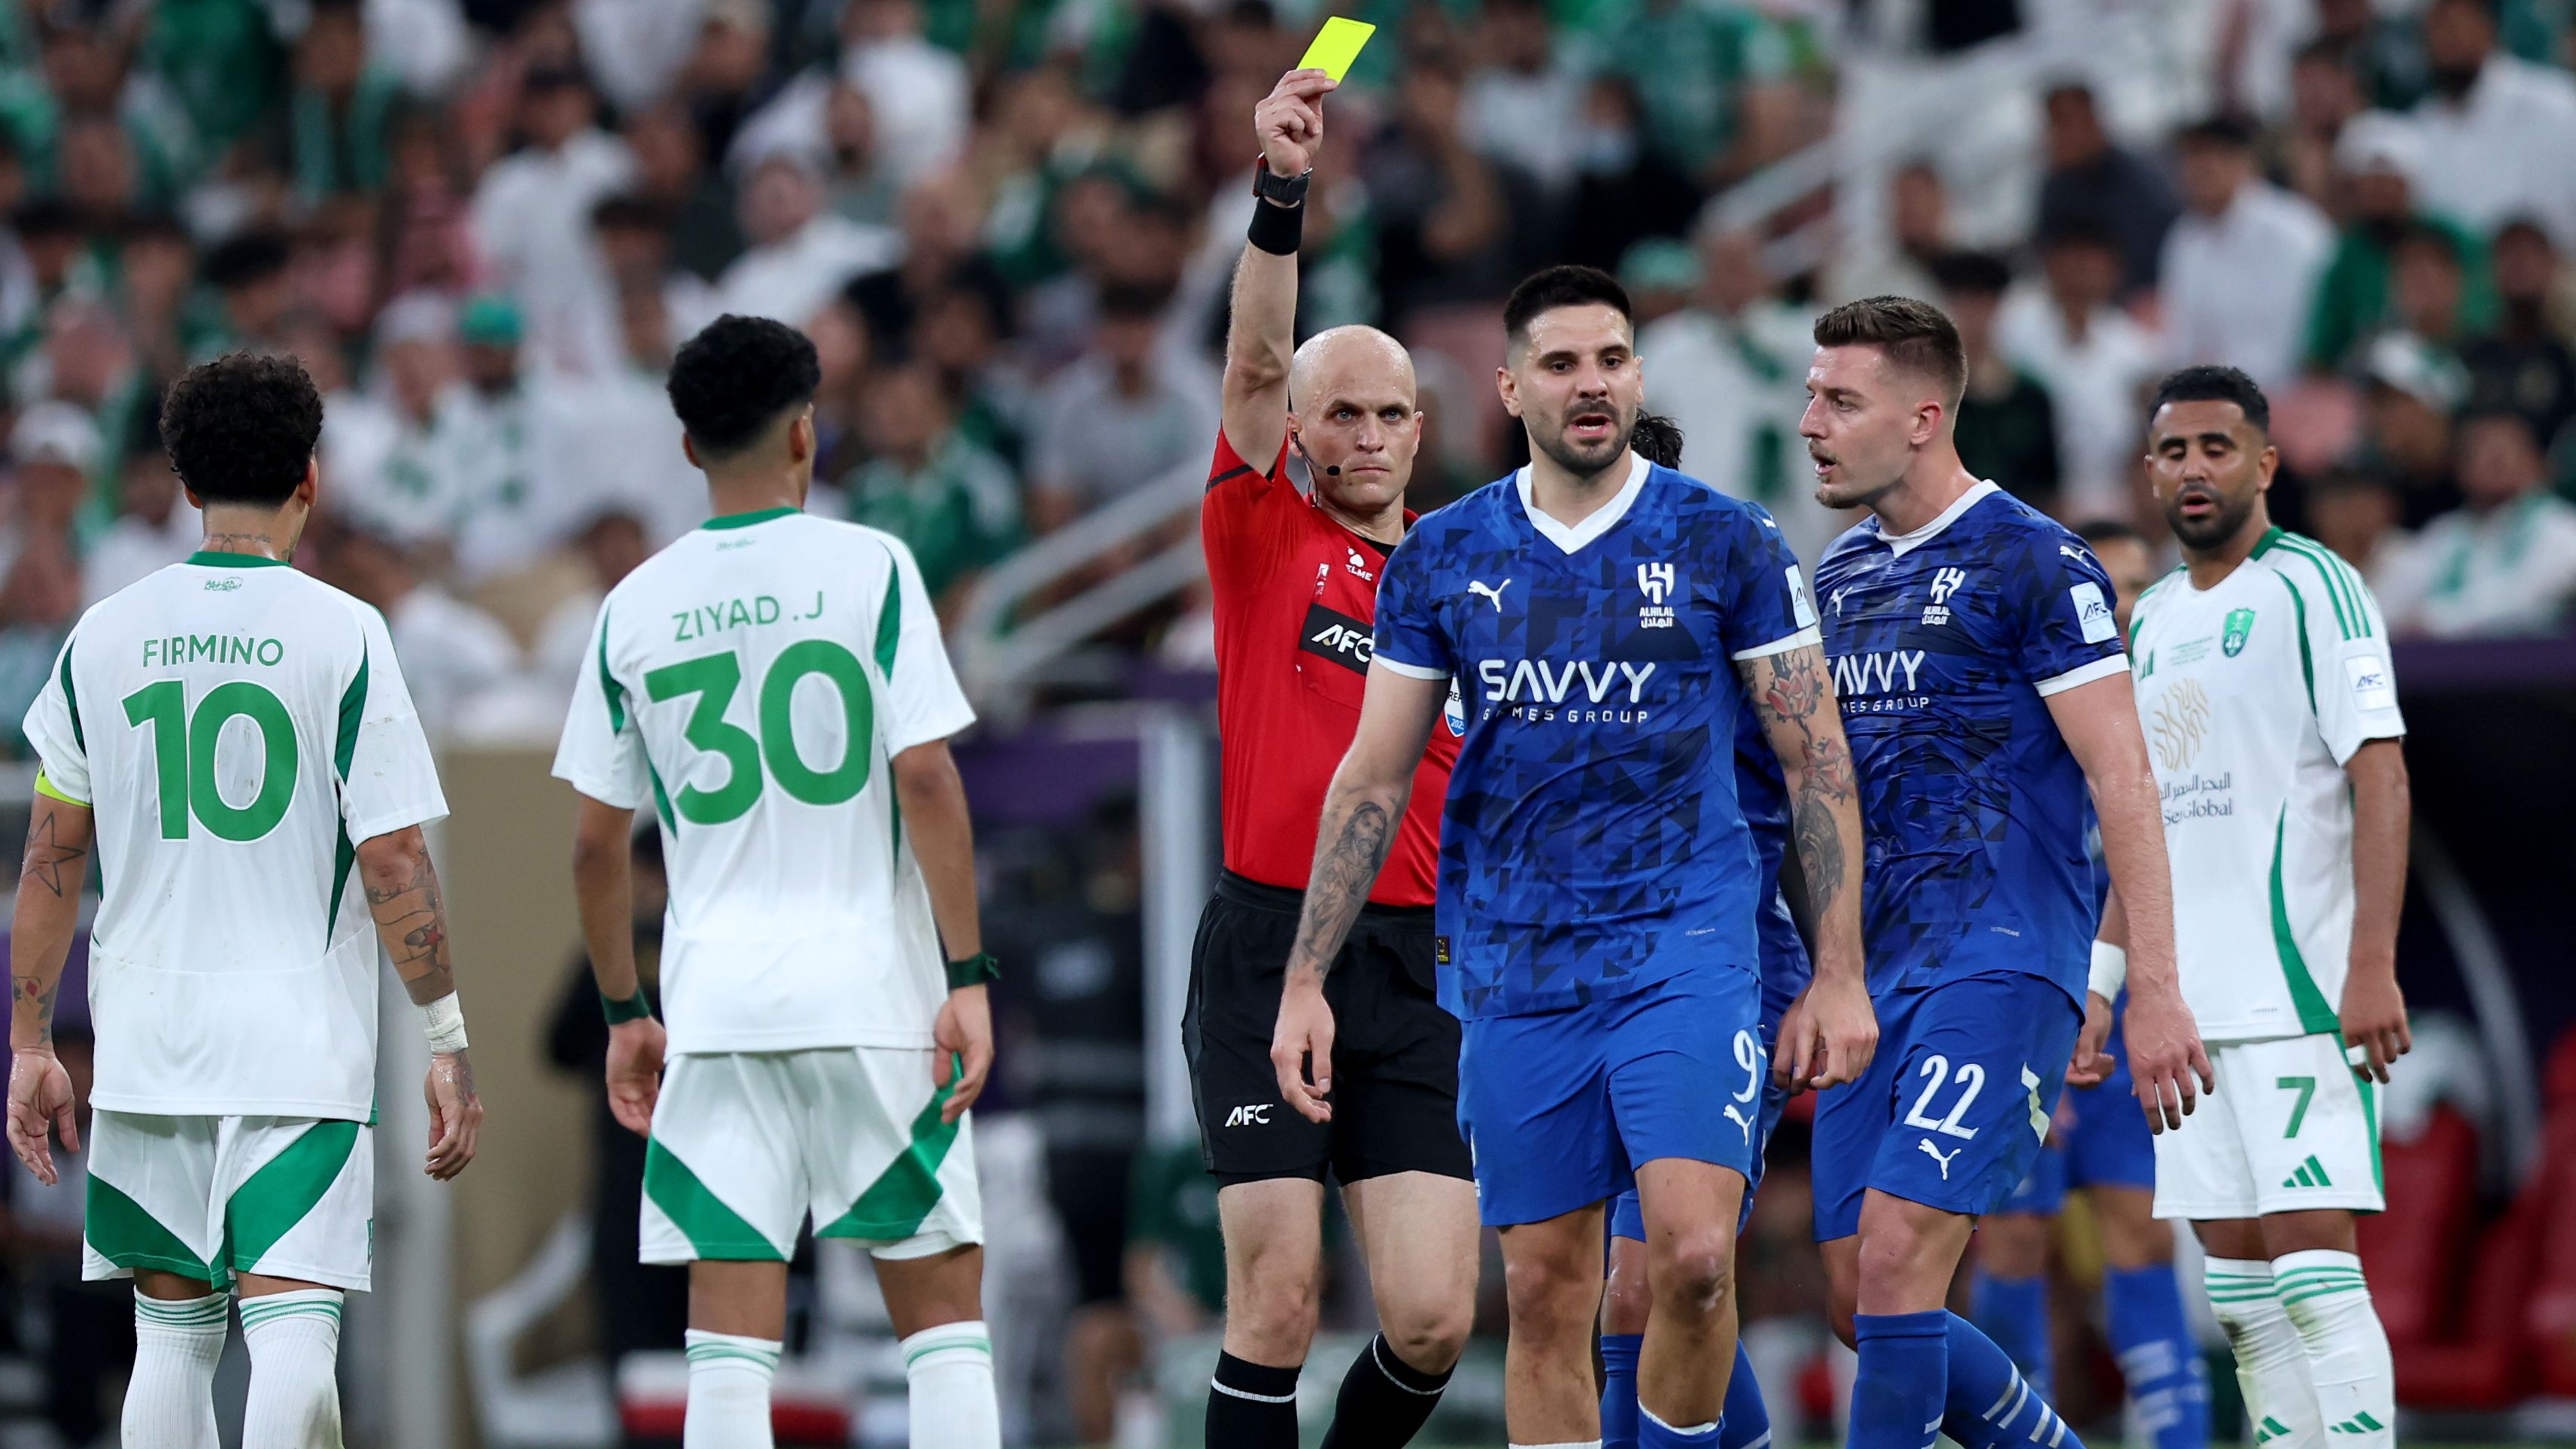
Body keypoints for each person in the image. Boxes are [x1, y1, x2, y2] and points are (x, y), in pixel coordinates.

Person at [1275, 262, 1877, 1449]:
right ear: (1509, 387)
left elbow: (1815, 764)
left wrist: (1839, 967)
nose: (1590, 385)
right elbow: (1374, 777)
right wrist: (1304, 976)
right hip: (1517, 968)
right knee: (1549, 1294)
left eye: (1610, 360)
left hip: (1689, 949)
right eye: (1560, 364)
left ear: (1638, 374)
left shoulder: (1727, 539)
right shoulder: (1444, 558)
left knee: (1693, 1260)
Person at [6, 351, 485, 1447]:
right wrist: (447, 1037)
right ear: (310, 476)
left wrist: (31, 1037)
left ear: (182, 482)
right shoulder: (347, 630)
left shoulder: (101, 635)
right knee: (293, 1337)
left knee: (169, 1342)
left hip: (146, 1034)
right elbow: (397, 859)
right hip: (296, 1040)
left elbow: (49, 858)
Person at [553, 314, 1000, 1448]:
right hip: (873, 991)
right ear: (808, 432)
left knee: (729, 1339)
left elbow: (597, 844)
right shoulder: (874, 564)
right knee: (942, 1317)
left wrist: (623, 1011)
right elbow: (928, 779)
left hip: (717, 1004)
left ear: (690, 448)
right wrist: (968, 973)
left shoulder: (633, 605)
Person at [1800, 296, 2210, 1449]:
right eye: (1811, 395)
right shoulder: (1836, 578)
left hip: (2003, 957)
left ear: (1923, 416)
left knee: (1895, 1264)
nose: (1809, 422)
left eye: (1840, 399)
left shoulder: (2036, 560)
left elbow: (2127, 780)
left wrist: (2153, 989)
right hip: (1874, 981)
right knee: (1857, 1301)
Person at [1187, 69, 1479, 1449]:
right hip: (1263, 947)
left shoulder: (1466, 579)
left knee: (1428, 1319)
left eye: (1387, 415)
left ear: (1420, 429)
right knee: (1279, 1296)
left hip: (1418, 962)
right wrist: (1282, 189)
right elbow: (1250, 358)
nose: (1363, 437)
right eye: (1338, 413)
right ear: (1294, 430)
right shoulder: (1260, 535)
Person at [2089, 365, 2410, 1449]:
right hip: (2186, 1013)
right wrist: (2106, 984)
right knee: (2242, 1301)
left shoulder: (2315, 584)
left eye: (2216, 447)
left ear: (2265, 463)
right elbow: (2148, 827)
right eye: (2173, 451)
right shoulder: (2158, 619)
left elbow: (2383, 776)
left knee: (2317, 1276)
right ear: (2149, 472)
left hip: (2300, 991)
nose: (2193, 469)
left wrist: (2372, 962)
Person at [1596, 406, 1812, 1449]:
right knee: (1621, 1284)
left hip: (1726, 967)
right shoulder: (1532, 628)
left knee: (1668, 1271)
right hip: (1578, 974)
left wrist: (1835, 972)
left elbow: (1819, 795)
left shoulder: (1742, 615)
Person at [1967, 518, 2210, 1449]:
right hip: (2038, 1011)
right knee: (2016, 1241)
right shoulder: (2023, 720)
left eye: (2139, 585)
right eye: (2105, 589)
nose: (2123, 607)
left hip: (2136, 1021)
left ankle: (2177, 1440)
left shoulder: (2177, 712)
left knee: (2142, 1238)